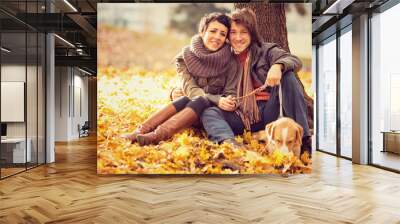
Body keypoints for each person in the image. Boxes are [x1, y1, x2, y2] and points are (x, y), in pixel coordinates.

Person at [198, 8, 312, 154]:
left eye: (244, 32)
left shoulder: (265, 50)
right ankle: (230, 145)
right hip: (239, 114)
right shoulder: (223, 57)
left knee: (288, 76)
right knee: (209, 112)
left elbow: (294, 60)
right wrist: (221, 100)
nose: (238, 38)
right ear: (227, 35)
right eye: (233, 32)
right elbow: (206, 86)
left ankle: (305, 141)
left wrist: (278, 66)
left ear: (252, 33)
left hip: (269, 111)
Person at [123, 12, 239, 146]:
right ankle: (142, 130)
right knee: (190, 97)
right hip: (188, 112)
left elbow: (231, 93)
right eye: (213, 31)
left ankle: (156, 135)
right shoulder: (185, 57)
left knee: (195, 99)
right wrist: (215, 98)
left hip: (212, 116)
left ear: (226, 38)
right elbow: (190, 89)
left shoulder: (231, 61)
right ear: (202, 32)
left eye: (223, 34)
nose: (217, 37)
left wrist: (229, 100)